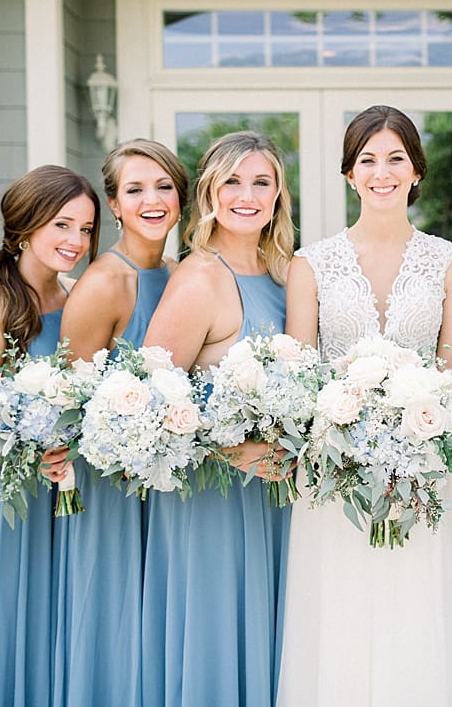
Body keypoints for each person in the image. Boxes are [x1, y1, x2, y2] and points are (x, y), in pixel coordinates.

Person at [276, 105, 452, 706]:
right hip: (333, 475)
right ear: (349, 174)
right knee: (337, 614)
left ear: (417, 172)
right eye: (367, 160)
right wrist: (344, 428)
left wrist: (421, 433)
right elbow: (298, 374)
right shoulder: (311, 263)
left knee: (419, 617)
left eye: (396, 159)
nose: (381, 172)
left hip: (424, 469)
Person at [141, 130, 293, 706]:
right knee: (220, 644)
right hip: (214, 498)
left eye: (262, 181)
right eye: (232, 180)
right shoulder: (200, 278)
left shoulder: (284, 276)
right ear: (208, 191)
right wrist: (231, 449)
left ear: (279, 194)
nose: (246, 194)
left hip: (278, 495)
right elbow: (152, 402)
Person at [0, 165, 99, 706]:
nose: (76, 241)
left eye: (86, 229)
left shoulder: (78, 296)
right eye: (62, 225)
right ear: (25, 228)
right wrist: (27, 453)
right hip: (3, 495)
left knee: (57, 628)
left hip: (66, 491)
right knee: (8, 627)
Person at [52, 139, 187, 705]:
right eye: (135, 190)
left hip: (171, 479)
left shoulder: (180, 273)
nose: (151, 200)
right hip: (111, 487)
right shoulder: (105, 282)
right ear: (114, 204)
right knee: (114, 622)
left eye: (163, 187)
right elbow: (68, 400)